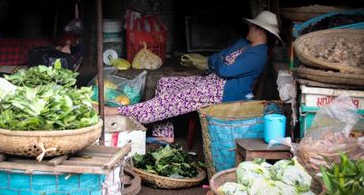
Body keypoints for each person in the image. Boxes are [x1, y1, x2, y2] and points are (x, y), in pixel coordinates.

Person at [105, 10, 283, 143]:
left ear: (259, 30)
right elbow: (216, 58)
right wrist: (220, 63)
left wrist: (220, 64)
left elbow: (224, 70)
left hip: (223, 93)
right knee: (165, 83)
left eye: (252, 26)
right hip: (211, 82)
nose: (249, 28)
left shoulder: (258, 55)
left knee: (170, 101)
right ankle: (164, 134)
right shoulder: (243, 43)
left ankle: (117, 112)